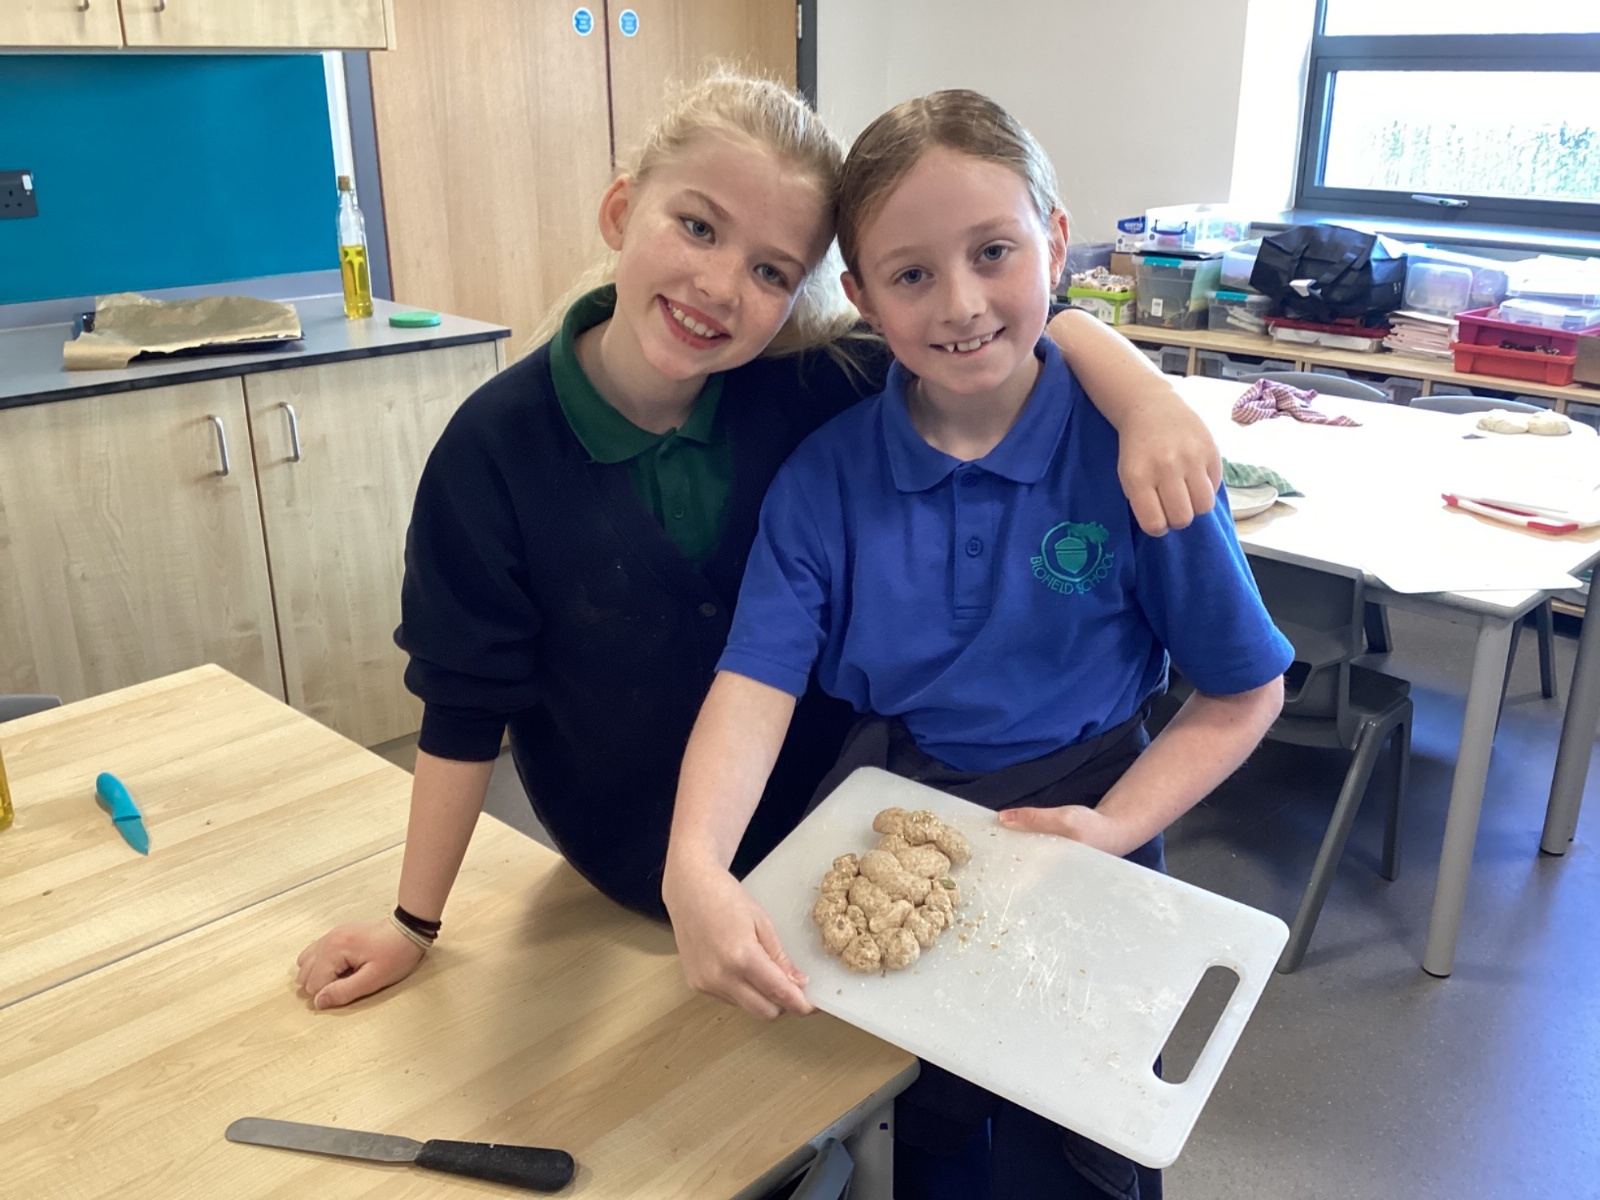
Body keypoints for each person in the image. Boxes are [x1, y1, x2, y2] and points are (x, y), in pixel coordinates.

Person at [295, 73, 1222, 1013]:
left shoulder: (813, 385)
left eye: (773, 271)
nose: (719, 286)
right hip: (633, 858)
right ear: (621, 210)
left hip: (836, 841)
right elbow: (462, 703)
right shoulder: (497, 448)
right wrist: (413, 921)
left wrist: (1145, 394)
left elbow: (986, 331)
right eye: (698, 227)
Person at [660, 90, 1292, 1199]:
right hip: (898, 829)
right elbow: (754, 685)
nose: (959, 304)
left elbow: (1243, 693)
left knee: (1080, 1140)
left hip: (1090, 832)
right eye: (910, 275)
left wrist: (1114, 826)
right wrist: (694, 868)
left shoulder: (1135, 458)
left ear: (1054, 240)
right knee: (924, 1133)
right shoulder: (825, 477)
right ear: (861, 296)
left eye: (993, 252)